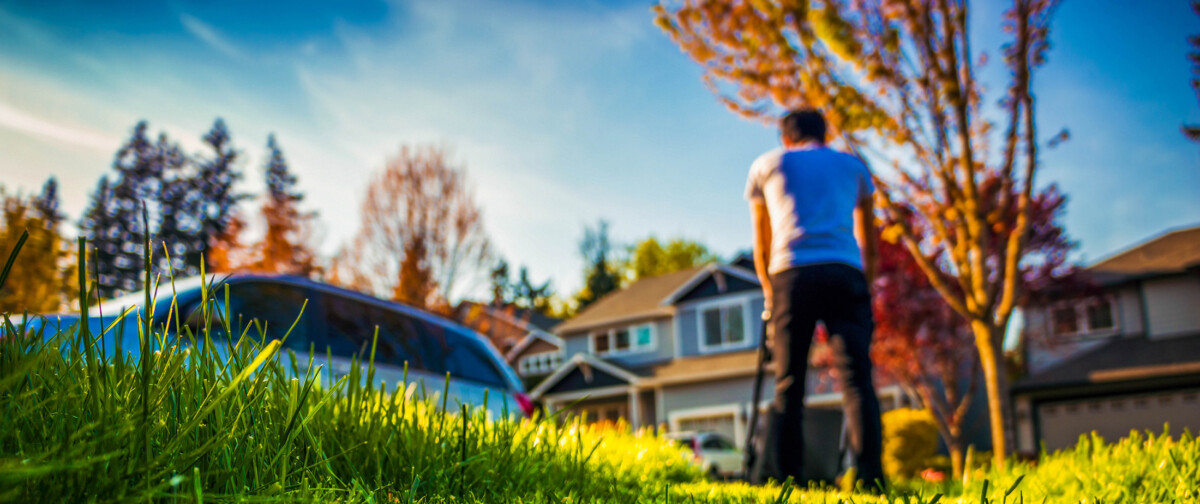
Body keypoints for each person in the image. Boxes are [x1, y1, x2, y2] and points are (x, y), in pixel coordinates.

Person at [745, 108, 883, 489]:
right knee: (857, 380)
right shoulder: (853, 167)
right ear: (826, 134)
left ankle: (791, 481)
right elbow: (867, 239)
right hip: (845, 271)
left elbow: (763, 241)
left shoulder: (767, 164)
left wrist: (771, 293)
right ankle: (871, 479)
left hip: (791, 272)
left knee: (789, 382)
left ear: (786, 138)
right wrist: (864, 285)